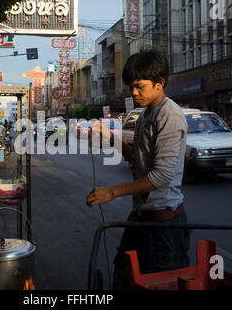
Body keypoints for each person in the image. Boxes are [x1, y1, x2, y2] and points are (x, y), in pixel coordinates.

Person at [86, 50, 190, 289]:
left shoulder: (170, 116)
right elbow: (139, 160)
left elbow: (162, 176)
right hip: (142, 217)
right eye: (131, 86)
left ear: (159, 83)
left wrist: (112, 192)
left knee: (160, 284)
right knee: (125, 276)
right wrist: (110, 138)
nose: (133, 92)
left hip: (164, 225)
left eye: (139, 86)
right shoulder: (146, 114)